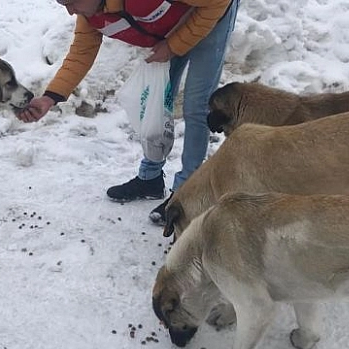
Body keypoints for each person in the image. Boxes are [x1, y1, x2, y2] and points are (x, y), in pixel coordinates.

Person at [17, 0, 239, 225]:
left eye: (72, 2)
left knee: (196, 106)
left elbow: (217, 1)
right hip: (172, 25)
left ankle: (187, 195)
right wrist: (50, 97)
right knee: (156, 101)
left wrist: (173, 46)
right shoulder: (91, 15)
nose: (70, 11)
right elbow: (80, 54)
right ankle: (150, 179)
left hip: (211, 14)